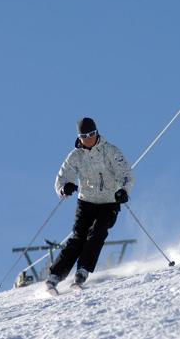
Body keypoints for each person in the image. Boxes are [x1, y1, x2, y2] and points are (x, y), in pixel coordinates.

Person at [45, 117, 134, 292]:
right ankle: (55, 275)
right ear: (79, 137)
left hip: (109, 202)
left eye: (92, 134)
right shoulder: (75, 156)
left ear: (97, 132)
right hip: (86, 202)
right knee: (79, 236)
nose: (89, 139)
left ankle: (82, 270)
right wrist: (64, 188)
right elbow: (62, 178)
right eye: (84, 136)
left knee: (97, 232)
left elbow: (125, 173)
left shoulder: (110, 151)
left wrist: (123, 190)